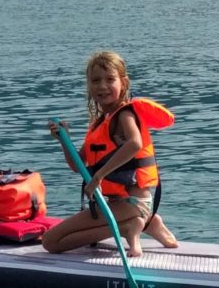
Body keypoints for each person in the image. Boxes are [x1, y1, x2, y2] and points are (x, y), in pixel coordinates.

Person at [43, 51, 178, 257]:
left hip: (133, 203)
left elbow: (134, 143)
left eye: (110, 79)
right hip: (119, 205)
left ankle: (130, 227)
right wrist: (65, 141)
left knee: (51, 242)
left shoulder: (124, 114)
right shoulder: (99, 123)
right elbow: (77, 165)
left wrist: (99, 176)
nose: (102, 86)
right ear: (88, 85)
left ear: (123, 83)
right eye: (95, 80)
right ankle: (147, 223)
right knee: (54, 240)